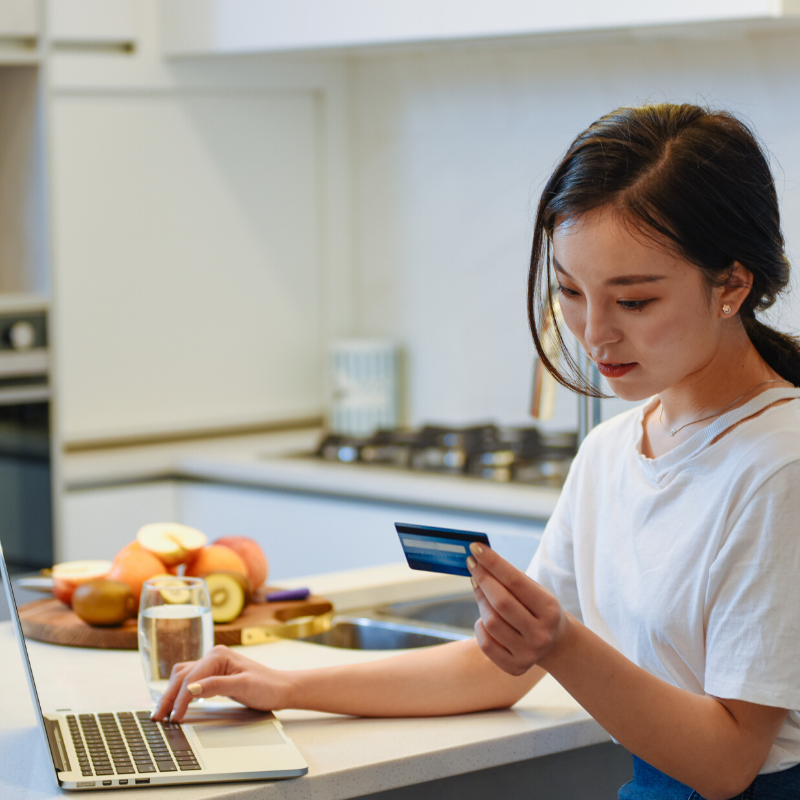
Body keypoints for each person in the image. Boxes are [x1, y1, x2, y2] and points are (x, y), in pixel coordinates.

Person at [154, 103, 800, 800]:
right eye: (570, 292)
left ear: (731, 285)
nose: (593, 333)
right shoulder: (614, 450)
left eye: (634, 302)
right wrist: (287, 685)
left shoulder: (778, 465)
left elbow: (727, 762)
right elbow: (501, 667)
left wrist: (559, 644)